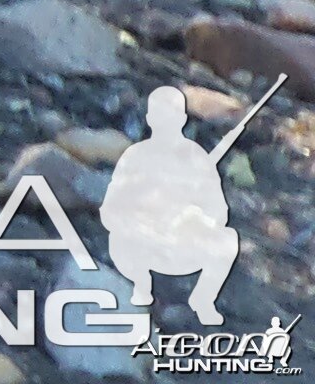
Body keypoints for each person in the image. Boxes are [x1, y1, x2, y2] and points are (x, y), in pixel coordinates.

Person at [102, 85, 243, 324]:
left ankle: (203, 300)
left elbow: (219, 212)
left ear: (182, 118)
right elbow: (110, 210)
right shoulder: (135, 156)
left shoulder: (197, 158)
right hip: (140, 242)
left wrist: (196, 217)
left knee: (227, 240)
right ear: (149, 118)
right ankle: (141, 289)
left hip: (181, 243)